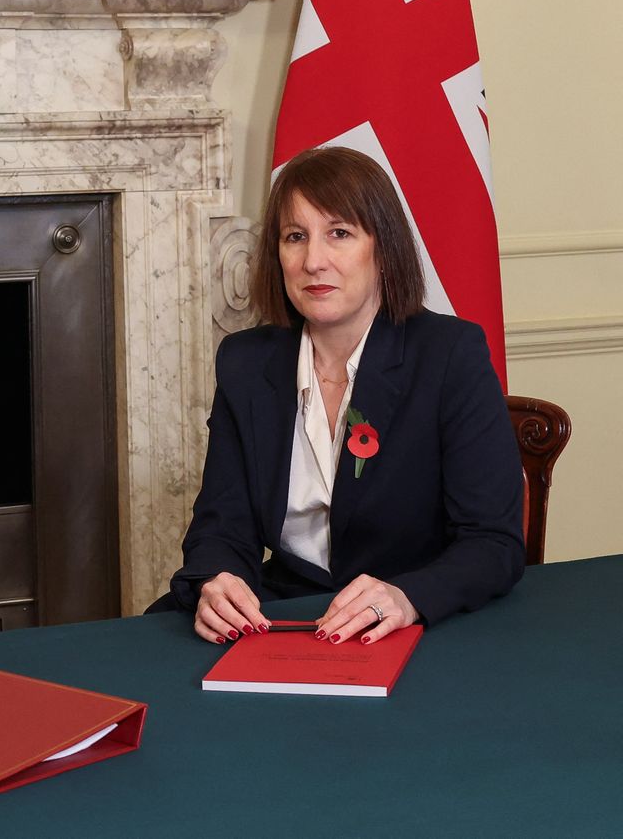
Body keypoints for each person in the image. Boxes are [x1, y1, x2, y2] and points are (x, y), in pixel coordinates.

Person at [162, 146, 524, 646]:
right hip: (283, 612)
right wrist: (217, 581)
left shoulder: (448, 354)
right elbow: (223, 522)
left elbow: (493, 543)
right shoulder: (246, 362)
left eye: (339, 233)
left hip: (410, 617)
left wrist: (408, 597)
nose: (313, 260)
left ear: (383, 247)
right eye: (295, 237)